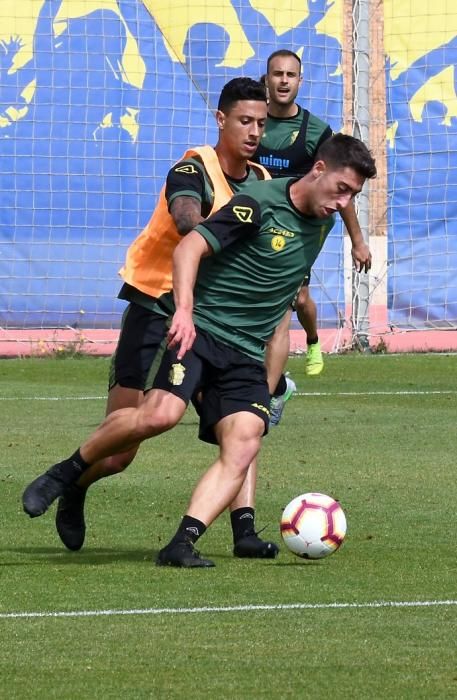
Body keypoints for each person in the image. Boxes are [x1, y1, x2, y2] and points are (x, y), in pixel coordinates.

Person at [22, 133, 377, 567]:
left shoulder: (324, 215)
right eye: (342, 189)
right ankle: (68, 474)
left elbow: (285, 301)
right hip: (201, 331)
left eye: (353, 195)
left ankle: (181, 543)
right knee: (159, 416)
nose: (344, 202)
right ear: (317, 170)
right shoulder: (259, 203)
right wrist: (185, 313)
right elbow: (190, 246)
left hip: (244, 352)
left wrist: (358, 239)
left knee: (245, 441)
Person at [40, 77, 278, 559]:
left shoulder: (264, 183)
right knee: (123, 449)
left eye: (261, 123)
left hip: (218, 323)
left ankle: (245, 531)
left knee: (245, 421)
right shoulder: (192, 168)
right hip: (158, 309)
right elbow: (190, 219)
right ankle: (76, 484)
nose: (254, 131)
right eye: (245, 121)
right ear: (221, 120)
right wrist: (225, 237)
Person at [252, 50, 372, 425]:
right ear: (266, 79)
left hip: (297, 232)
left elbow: (342, 190)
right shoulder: (252, 122)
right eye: (277, 74)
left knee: (282, 309)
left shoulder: (315, 132)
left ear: (300, 81)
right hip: (251, 225)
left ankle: (262, 402)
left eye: (291, 75)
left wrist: (357, 239)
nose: (284, 80)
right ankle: (269, 388)